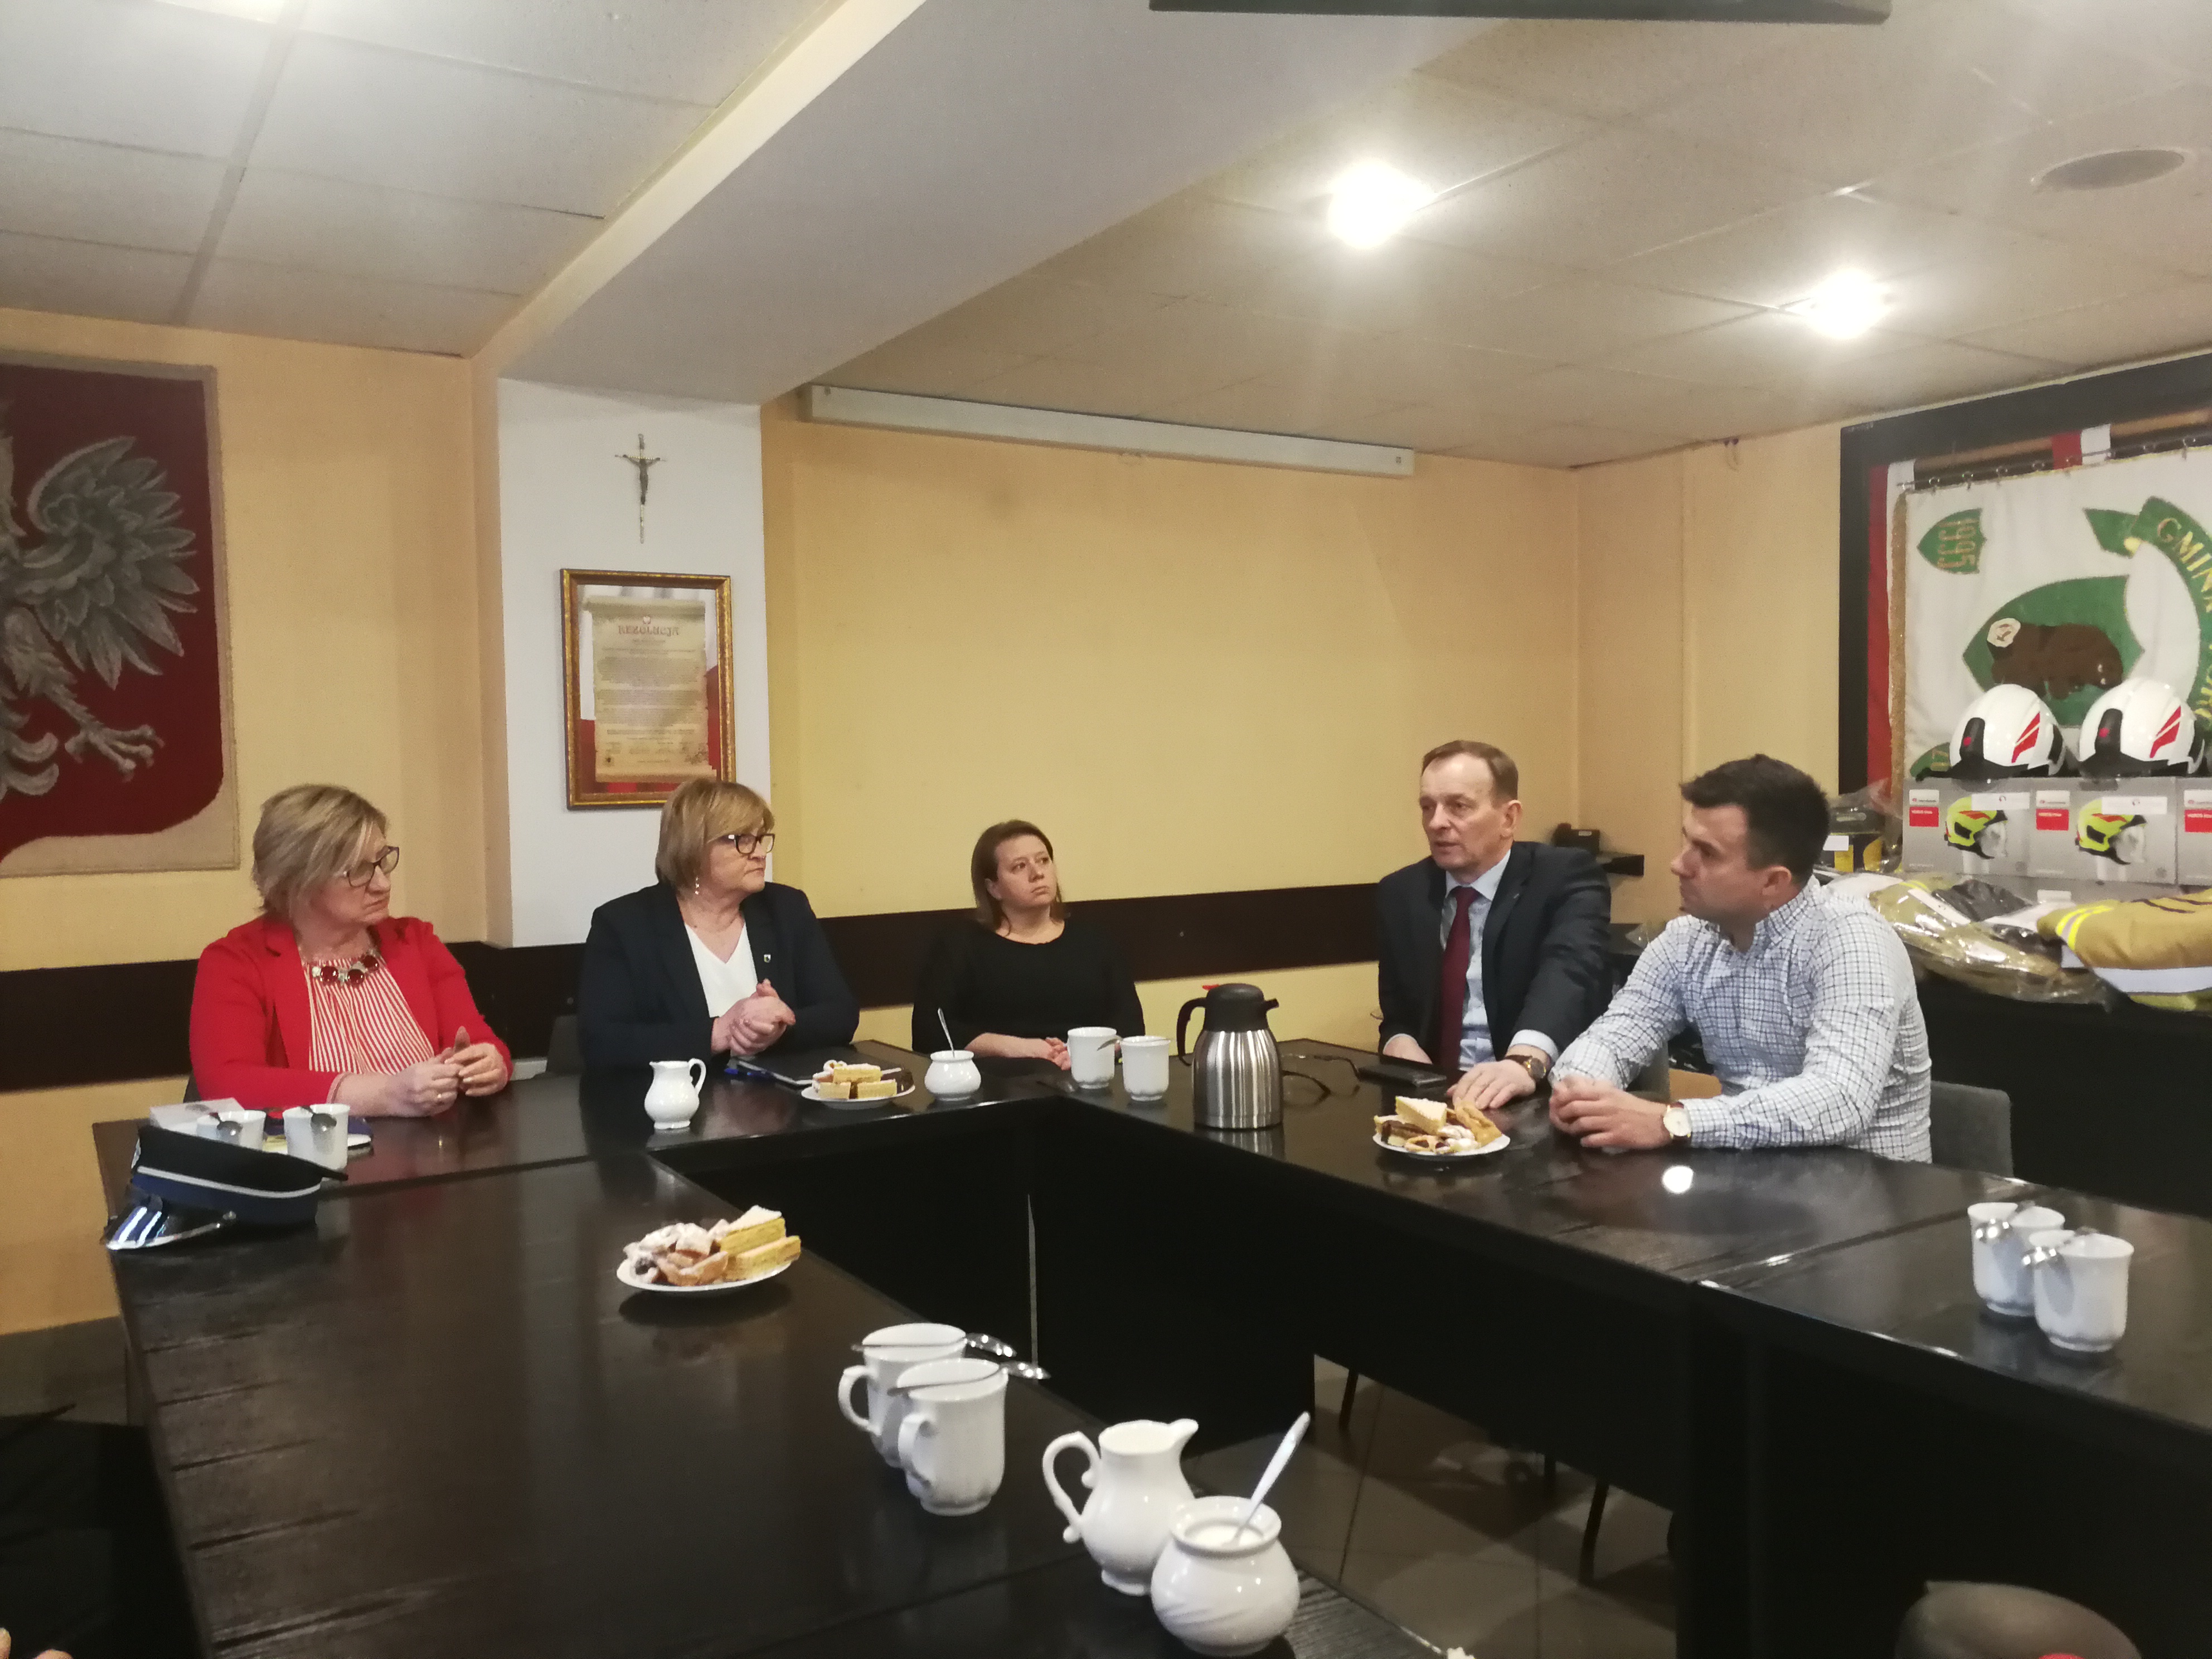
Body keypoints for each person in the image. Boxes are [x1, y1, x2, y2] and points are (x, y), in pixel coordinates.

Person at [1549, 754, 1932, 1160]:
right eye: (1687, 841)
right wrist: (1580, 1090)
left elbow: (1840, 1101)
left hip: (1869, 1187)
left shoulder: (1852, 940)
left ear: (1773, 881)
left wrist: (1673, 1121)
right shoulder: (1688, 939)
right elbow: (1614, 1036)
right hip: (1746, 1177)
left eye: (1707, 853)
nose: (1678, 864)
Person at [190, 785, 510, 1115]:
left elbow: (476, 1039)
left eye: (382, 861)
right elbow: (228, 1084)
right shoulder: (237, 962)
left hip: (430, 1146)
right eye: (358, 871)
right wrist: (385, 1094)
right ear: (298, 882)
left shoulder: (415, 941)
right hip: (311, 1147)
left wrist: (489, 1062)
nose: (383, 884)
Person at [1375, 740, 1612, 1116]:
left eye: (1458, 806)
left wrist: (1523, 1063)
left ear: (1509, 819)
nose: (1436, 823)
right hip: (1438, 1099)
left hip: (1540, 1097)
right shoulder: (1402, 892)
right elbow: (1397, 1013)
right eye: (1428, 807)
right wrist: (1399, 1044)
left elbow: (1569, 974)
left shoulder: (1563, 877)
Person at [577, 778, 857, 1066]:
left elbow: (841, 1014)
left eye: (760, 838)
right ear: (695, 848)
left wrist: (780, 1027)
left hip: (777, 1091)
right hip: (682, 1093)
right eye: (743, 840)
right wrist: (717, 1033)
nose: (760, 853)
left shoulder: (786, 909)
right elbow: (602, 1041)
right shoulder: (625, 925)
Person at [912, 821, 1143, 1066]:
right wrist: (1020, 1048)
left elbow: (1131, 1028)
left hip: (1086, 1076)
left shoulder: (1095, 941)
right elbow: (929, 1032)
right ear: (994, 888)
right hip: (997, 1082)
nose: (1037, 873)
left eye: (1043, 861)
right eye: (1020, 866)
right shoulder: (960, 945)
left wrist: (1087, 1053)